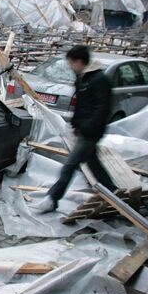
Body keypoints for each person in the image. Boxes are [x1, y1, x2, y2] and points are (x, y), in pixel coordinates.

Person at [35, 45, 116, 213]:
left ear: (79, 61)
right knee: (94, 165)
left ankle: (52, 198)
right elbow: (81, 105)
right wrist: (75, 123)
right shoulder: (83, 78)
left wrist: (87, 127)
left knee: (70, 165)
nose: (71, 67)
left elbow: (102, 109)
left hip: (91, 132)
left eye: (71, 63)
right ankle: (113, 192)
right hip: (84, 129)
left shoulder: (98, 79)